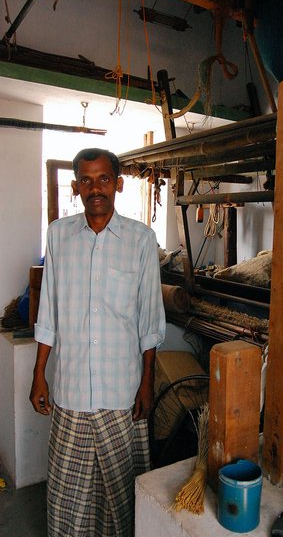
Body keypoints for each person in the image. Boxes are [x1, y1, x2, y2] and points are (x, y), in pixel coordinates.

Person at [29, 147, 166, 536]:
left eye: (103, 179)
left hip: (121, 393)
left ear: (118, 183)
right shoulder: (58, 236)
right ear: (75, 187)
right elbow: (49, 312)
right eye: (86, 180)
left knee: (122, 499)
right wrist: (40, 374)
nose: (95, 189)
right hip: (70, 392)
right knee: (67, 499)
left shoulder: (141, 240)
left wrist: (147, 382)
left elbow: (150, 319)